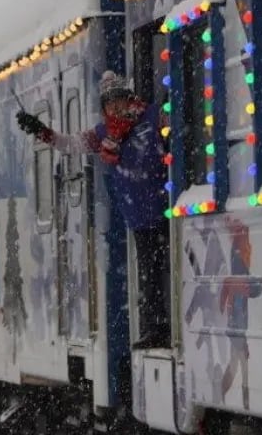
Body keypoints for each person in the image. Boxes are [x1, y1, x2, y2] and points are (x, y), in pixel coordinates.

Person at [16, 71, 171, 349]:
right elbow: (70, 144)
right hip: (138, 218)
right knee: (149, 275)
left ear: (128, 98)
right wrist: (41, 130)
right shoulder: (104, 135)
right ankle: (155, 327)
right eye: (108, 104)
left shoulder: (152, 117)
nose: (114, 107)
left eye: (118, 100)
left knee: (162, 271)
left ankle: (163, 326)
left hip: (165, 211)